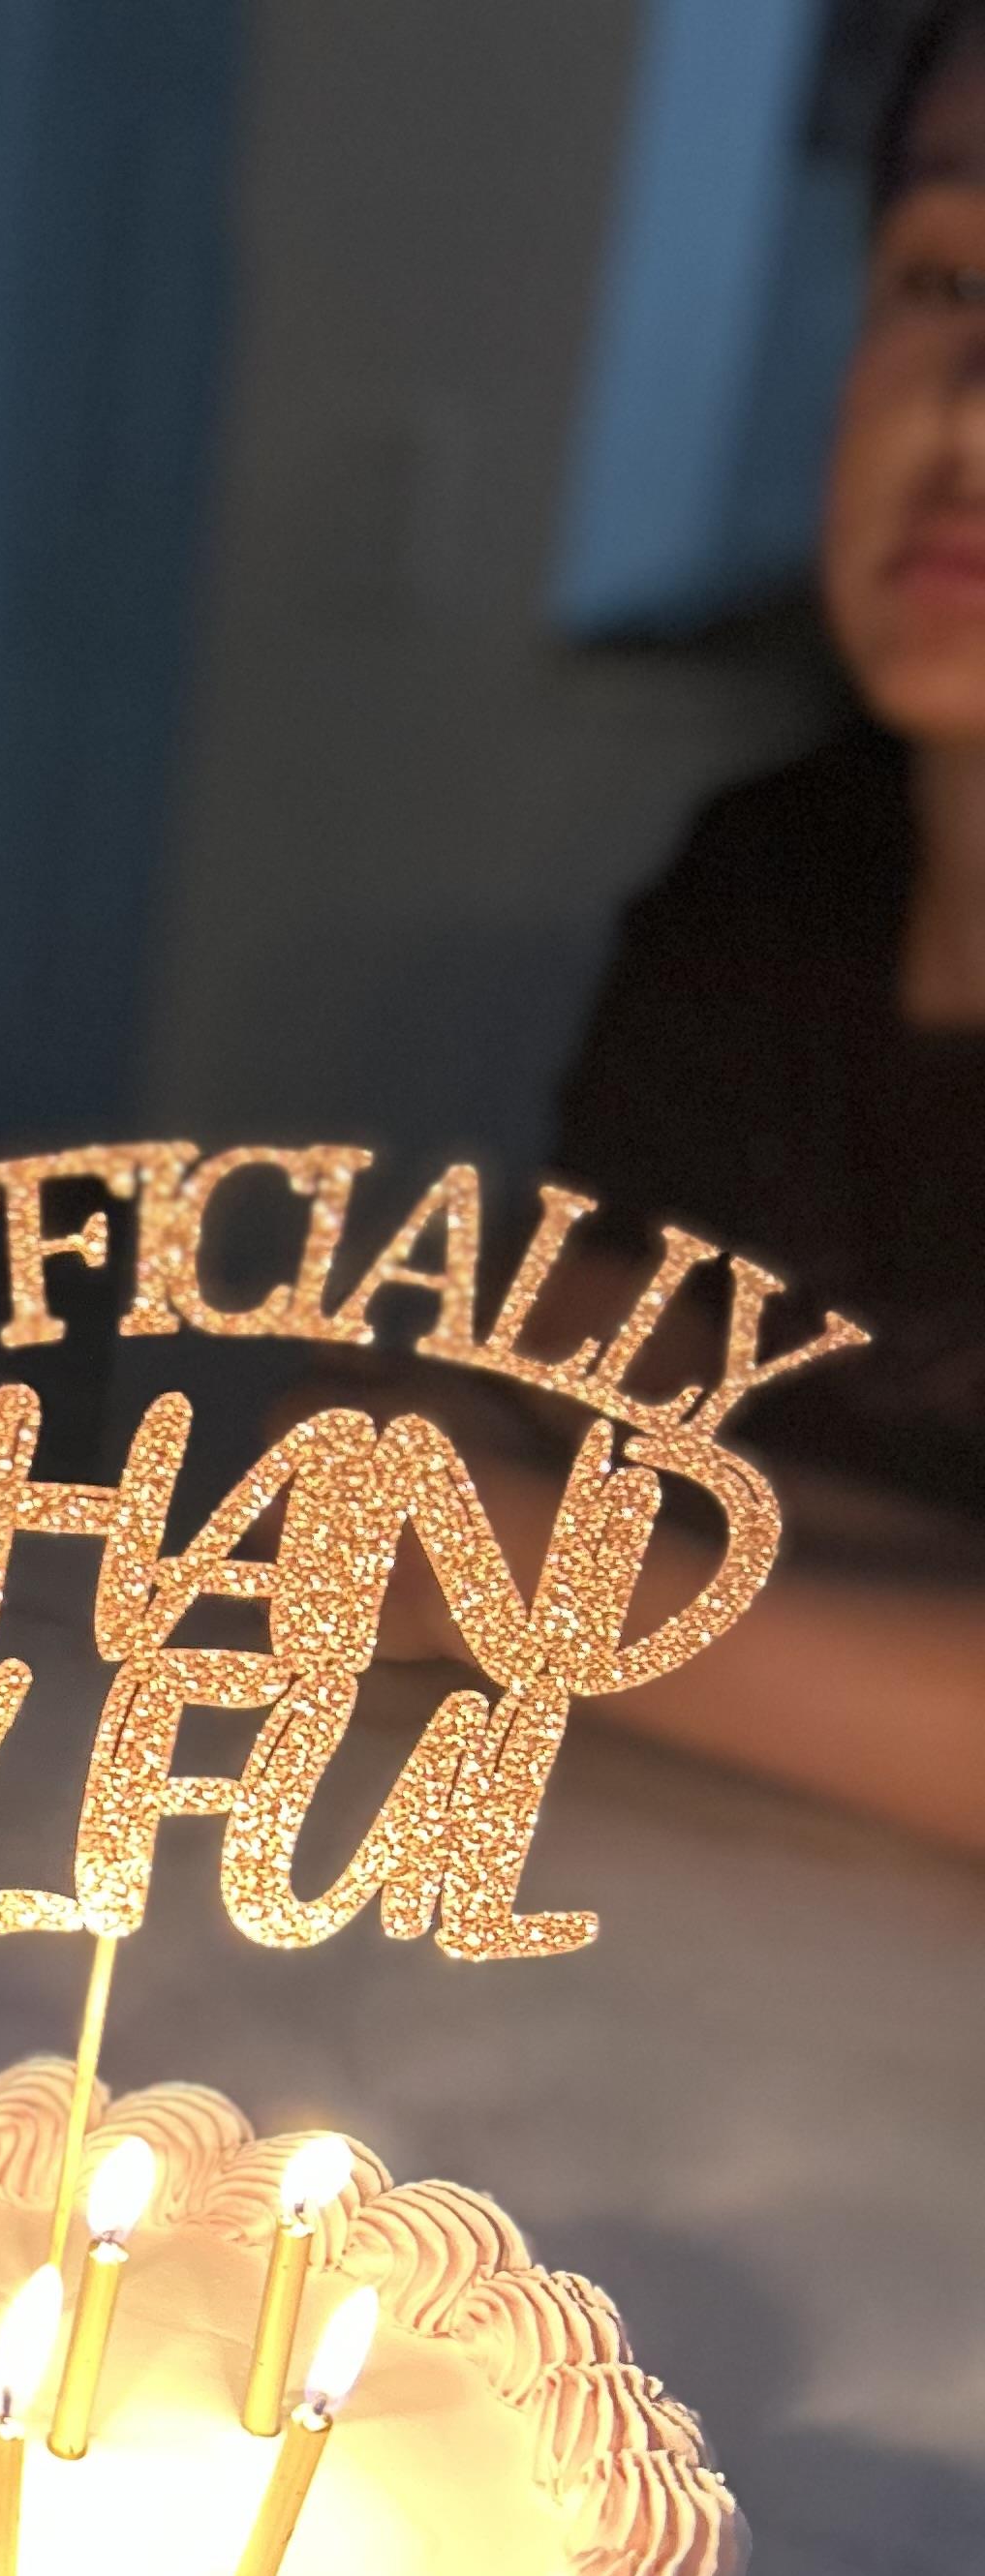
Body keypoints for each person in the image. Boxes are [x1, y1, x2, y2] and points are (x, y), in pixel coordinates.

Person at [383, 2, 985, 1858]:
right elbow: (493, 1390)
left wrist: (552, 1580)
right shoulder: (775, 880)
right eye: (945, 278)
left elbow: (484, 1514)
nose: (970, 415)